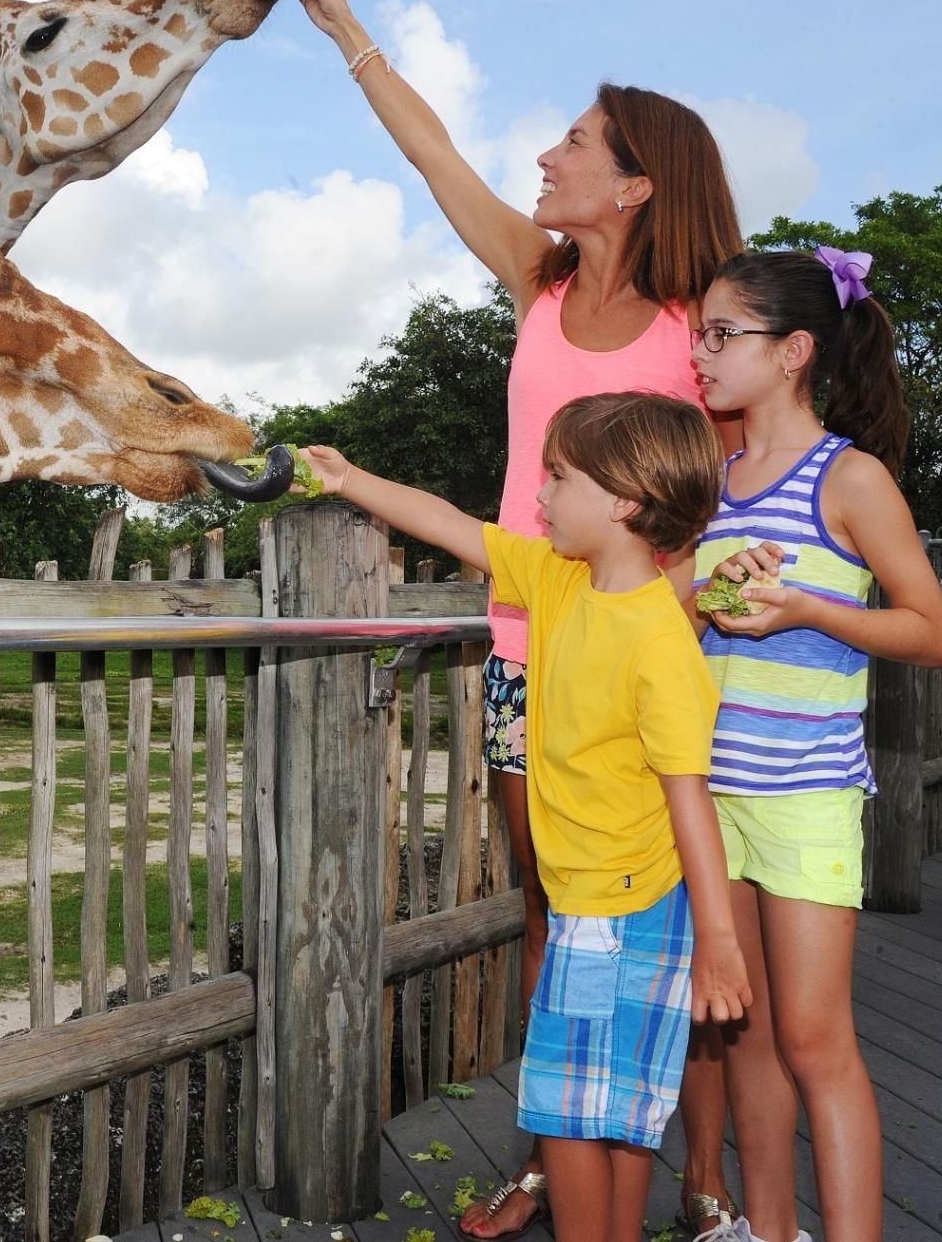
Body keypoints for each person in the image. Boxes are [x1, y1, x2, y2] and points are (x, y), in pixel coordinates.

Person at [295, 0, 746, 1239]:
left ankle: (701, 1188)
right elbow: (435, 157)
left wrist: (714, 597)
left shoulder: (690, 322)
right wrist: (348, 34)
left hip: (639, 657)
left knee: (660, 923)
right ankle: (557, 1170)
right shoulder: (535, 279)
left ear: (636, 182)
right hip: (520, 640)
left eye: (574, 141)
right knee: (556, 913)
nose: (546, 155)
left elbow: (734, 475)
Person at [304, 394, 752, 1242]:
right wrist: (349, 476)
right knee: (613, 1111)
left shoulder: (659, 643)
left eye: (557, 476)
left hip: (615, 911)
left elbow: (691, 801)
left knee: (570, 1116)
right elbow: (452, 525)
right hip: (622, 900)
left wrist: (720, 948)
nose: (538, 494)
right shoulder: (557, 577)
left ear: (622, 500)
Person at [691, 249, 942, 1242]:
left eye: (722, 335)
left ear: (791, 351)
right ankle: (768, 1231)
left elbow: (929, 632)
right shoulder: (708, 483)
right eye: (699, 333)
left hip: (803, 795)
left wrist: (802, 605)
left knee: (813, 1040)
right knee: (747, 1035)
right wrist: (710, 601)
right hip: (711, 799)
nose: (699, 352)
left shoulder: (849, 479)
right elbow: (676, 626)